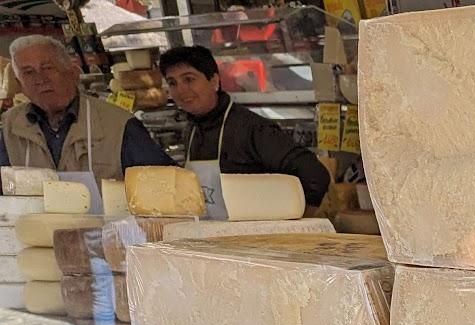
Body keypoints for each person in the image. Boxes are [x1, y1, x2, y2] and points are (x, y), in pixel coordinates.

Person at [158, 45, 330, 209]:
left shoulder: (252, 129)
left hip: (256, 236)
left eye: (189, 79)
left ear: (214, 81)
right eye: (173, 83)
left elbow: (315, 176)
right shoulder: (192, 130)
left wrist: (297, 223)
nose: (181, 90)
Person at [0, 35, 175, 180]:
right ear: (19, 84)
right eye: (28, 72)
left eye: (47, 68)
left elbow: (166, 182)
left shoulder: (118, 124)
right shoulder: (9, 126)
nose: (40, 79)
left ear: (73, 74)